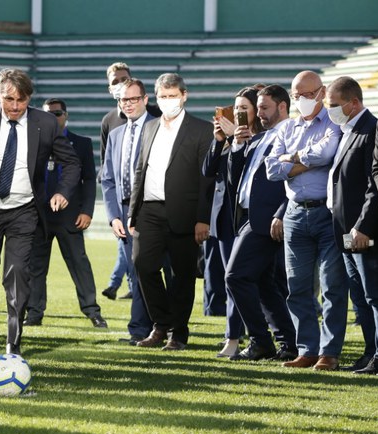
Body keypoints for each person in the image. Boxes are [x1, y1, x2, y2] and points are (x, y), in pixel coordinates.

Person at [0, 68, 81, 355]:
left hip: (25, 210)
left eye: (22, 100)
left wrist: (62, 192)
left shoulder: (46, 122)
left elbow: (72, 162)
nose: (16, 106)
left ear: (29, 98)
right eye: (9, 99)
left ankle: (13, 340)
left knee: (18, 274)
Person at [264, 70, 348, 370]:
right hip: (295, 213)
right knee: (297, 286)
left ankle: (329, 352)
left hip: (327, 213)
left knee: (332, 285)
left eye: (308, 94)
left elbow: (327, 154)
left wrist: (291, 158)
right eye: (297, 95)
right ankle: (308, 349)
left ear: (321, 92)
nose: (302, 99)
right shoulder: (287, 127)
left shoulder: (333, 123)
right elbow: (271, 169)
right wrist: (303, 160)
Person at [128, 72, 214, 351]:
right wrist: (133, 212)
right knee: (143, 264)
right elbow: (140, 170)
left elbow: (206, 179)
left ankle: (178, 332)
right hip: (149, 210)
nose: (168, 101)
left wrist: (202, 219)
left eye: (173, 96)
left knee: (182, 276)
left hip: (185, 213)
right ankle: (160, 324)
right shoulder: (150, 127)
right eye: (163, 96)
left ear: (184, 96)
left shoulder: (201, 129)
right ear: (156, 97)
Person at [224, 85, 297, 361]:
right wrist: (237, 145)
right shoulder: (260, 137)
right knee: (265, 284)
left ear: (282, 106)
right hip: (248, 215)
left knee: (235, 276)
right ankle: (288, 343)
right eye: (260, 108)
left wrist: (281, 212)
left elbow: (295, 178)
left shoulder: (292, 133)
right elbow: (235, 179)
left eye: (265, 108)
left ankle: (260, 340)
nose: (260, 114)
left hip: (267, 218)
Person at [325, 77, 378, 374]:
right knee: (360, 295)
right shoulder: (347, 130)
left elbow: (373, 186)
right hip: (346, 230)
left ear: (353, 102)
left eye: (334, 105)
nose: (330, 110)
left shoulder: (370, 128)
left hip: (364, 231)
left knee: (376, 294)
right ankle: (371, 352)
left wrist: (363, 226)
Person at [25, 98, 105, 328]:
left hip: (70, 216)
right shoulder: (33, 141)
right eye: (48, 114)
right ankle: (34, 313)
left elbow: (88, 180)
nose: (53, 117)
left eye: (57, 113)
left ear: (66, 115)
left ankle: (92, 311)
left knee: (79, 264)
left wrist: (87, 211)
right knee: (36, 267)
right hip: (39, 216)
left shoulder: (81, 143)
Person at [202, 87, 261, 358]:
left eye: (244, 108)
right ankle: (234, 337)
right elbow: (207, 170)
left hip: (249, 217)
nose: (238, 113)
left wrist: (239, 142)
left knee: (242, 279)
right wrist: (219, 140)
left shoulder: (260, 139)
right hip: (225, 217)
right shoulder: (227, 138)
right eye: (236, 107)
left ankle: (247, 337)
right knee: (231, 280)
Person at [100, 78, 155, 344]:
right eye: (123, 99)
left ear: (145, 100)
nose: (128, 104)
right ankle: (140, 329)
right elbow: (108, 179)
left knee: (157, 271)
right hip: (122, 210)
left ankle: (166, 328)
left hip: (152, 208)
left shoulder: (158, 128)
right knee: (135, 272)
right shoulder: (115, 134)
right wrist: (113, 216)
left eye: (134, 99)